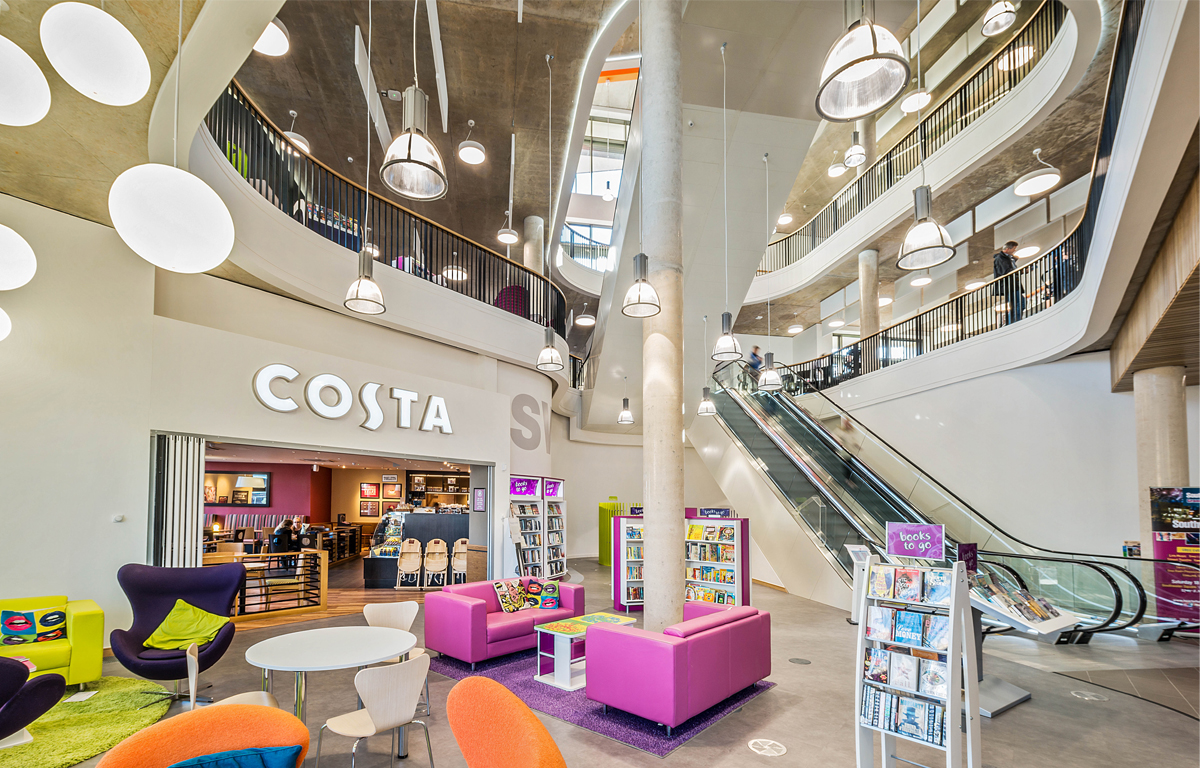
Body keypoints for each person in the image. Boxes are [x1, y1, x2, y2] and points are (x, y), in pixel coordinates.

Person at [993, 241, 1025, 326]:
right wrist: (1020, 271)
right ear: (1007, 249)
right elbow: (1005, 271)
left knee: (1019, 303)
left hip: (1013, 284)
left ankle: (1014, 321)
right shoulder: (1000, 258)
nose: (1014, 251)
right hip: (1009, 285)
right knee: (1017, 304)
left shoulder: (1009, 259)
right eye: (1013, 249)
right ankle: (1013, 322)